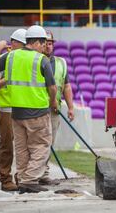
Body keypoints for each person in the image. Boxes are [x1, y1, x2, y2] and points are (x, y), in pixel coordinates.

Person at [0, 25, 57, 194]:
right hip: (37, 110)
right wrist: (52, 103)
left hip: (16, 111)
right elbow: (52, 87)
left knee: (21, 149)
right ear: (37, 42)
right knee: (42, 147)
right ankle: (28, 180)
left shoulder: (10, 57)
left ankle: (23, 179)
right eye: (44, 43)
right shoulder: (41, 59)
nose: (44, 47)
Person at [0, 29, 27, 191]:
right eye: (24, 44)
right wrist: (8, 80)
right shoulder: (5, 59)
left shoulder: (27, 60)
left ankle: (23, 178)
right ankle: (6, 179)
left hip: (24, 107)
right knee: (7, 146)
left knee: (24, 146)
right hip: (6, 109)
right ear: (14, 43)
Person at [39, 29, 74, 185]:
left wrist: (71, 108)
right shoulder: (34, 60)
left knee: (49, 143)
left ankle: (43, 174)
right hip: (37, 108)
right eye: (45, 42)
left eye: (50, 43)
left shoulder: (61, 62)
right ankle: (32, 174)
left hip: (54, 110)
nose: (48, 45)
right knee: (37, 143)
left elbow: (66, 86)